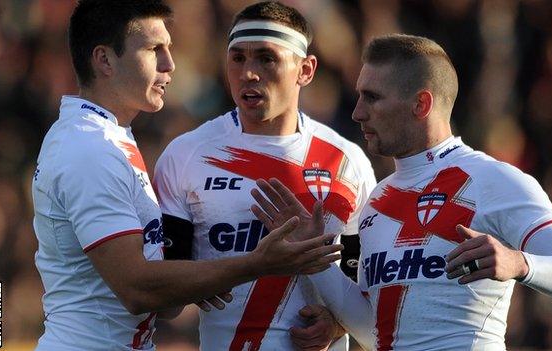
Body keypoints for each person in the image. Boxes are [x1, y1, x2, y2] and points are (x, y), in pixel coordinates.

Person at [250, 34, 552, 350]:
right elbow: (375, 333)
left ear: (421, 104)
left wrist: (519, 263)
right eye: (359, 96)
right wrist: (315, 258)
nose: (357, 113)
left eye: (372, 98)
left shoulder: (494, 180)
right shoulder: (377, 202)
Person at [31, 1, 343, 350]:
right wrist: (257, 263)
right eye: (154, 50)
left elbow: (166, 303)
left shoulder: (110, 138)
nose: (170, 64)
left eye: (169, 48)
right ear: (104, 60)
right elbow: (136, 288)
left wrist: (200, 276)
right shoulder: (89, 148)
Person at [153, 2, 377, 350]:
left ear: (306, 70)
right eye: (238, 58)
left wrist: (334, 325)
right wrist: (202, 279)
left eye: (266, 58)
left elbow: (369, 297)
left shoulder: (348, 162)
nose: (249, 73)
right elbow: (166, 304)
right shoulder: (185, 156)